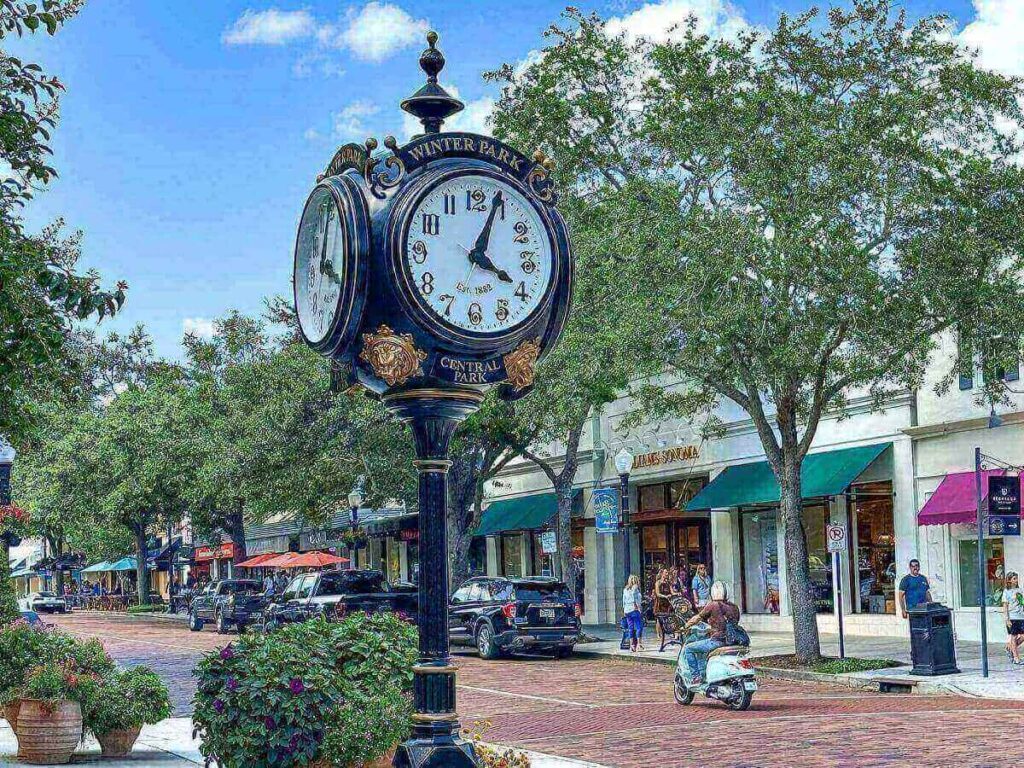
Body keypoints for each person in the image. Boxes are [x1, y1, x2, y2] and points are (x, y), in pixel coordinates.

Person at [681, 580, 740, 684]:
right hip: (733, 641)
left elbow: (697, 618)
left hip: (718, 641)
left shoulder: (713, 605)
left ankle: (696, 677)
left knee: (688, 648)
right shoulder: (735, 607)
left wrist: (685, 626)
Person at [1003, 572, 1024, 665]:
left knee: (1023, 636)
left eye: (1016, 578)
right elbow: (1005, 606)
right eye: (1014, 578)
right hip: (1013, 617)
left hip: (1021, 616)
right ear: (1009, 580)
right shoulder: (1006, 592)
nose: (1016, 580)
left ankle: (1009, 648)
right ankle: (1016, 658)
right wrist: (1007, 619)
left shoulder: (1020, 590)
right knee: (1014, 636)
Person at [622, 574, 645, 652]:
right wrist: (639, 608)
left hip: (627, 610)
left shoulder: (625, 589)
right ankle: (639, 644)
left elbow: (623, 601)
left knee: (630, 628)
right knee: (639, 627)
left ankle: (632, 646)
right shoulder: (635, 588)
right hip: (634, 609)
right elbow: (635, 599)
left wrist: (624, 610)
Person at [652, 569, 672, 644]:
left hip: (667, 602)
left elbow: (672, 591)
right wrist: (665, 596)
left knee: (667, 618)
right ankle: (658, 634)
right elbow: (657, 593)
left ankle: (665, 632)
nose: (667, 574)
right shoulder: (658, 583)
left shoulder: (668, 582)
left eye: (667, 572)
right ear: (662, 574)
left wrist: (676, 593)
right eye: (666, 572)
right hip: (660, 602)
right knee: (658, 619)